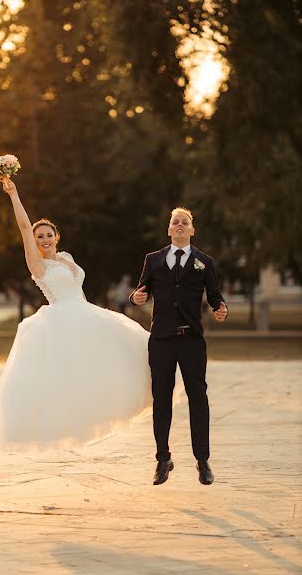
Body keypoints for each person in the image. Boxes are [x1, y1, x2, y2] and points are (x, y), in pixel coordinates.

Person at [0, 177, 175, 451]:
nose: (43, 239)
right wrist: (14, 194)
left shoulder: (67, 256)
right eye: (38, 236)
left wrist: (95, 316)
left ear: (56, 237)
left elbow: (79, 289)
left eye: (48, 234)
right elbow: (23, 226)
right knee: (74, 375)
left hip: (85, 313)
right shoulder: (37, 264)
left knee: (123, 353)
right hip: (62, 318)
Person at [130, 207, 228, 486]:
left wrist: (220, 309)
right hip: (161, 341)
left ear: (192, 230)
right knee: (161, 399)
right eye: (176, 222)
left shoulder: (204, 262)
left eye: (186, 222)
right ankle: (163, 459)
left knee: (199, 399)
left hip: (191, 341)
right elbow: (141, 290)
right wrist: (135, 297)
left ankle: (203, 460)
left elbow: (215, 297)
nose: (181, 225)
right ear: (169, 230)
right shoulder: (154, 259)